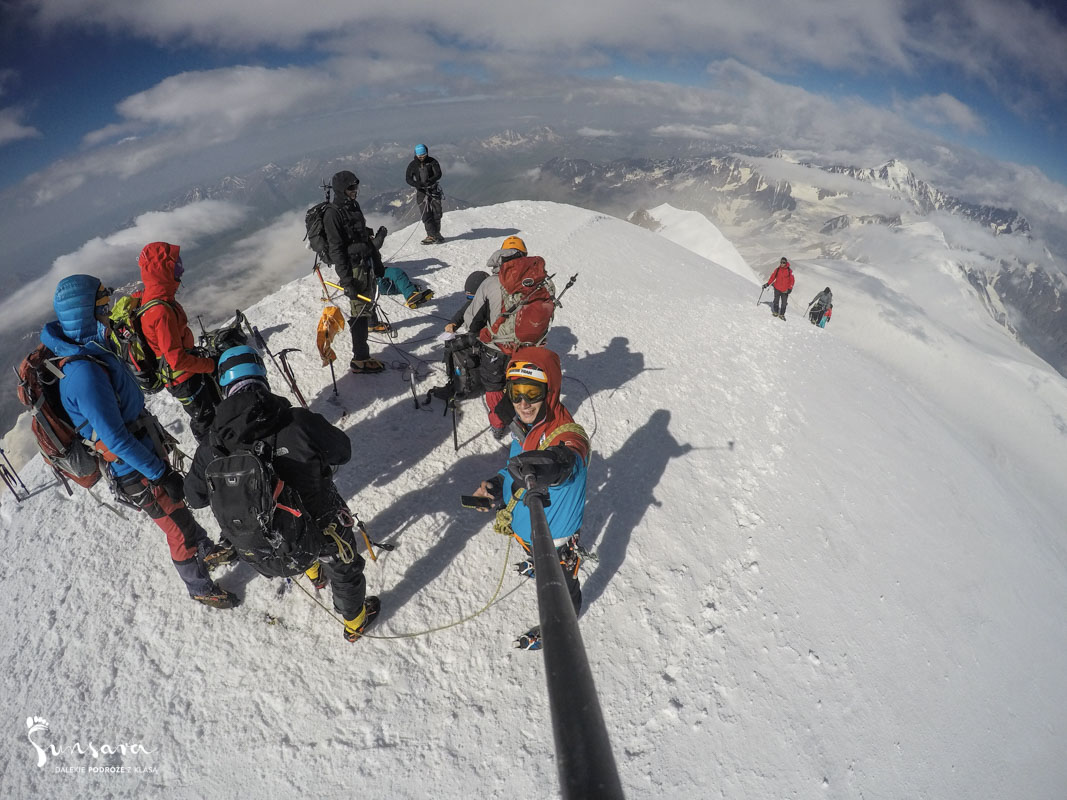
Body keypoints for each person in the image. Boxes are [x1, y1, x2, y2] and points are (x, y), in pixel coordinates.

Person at [40, 274, 237, 608]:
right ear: (84, 313)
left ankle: (204, 548)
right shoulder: (83, 373)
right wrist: (160, 474)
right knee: (175, 527)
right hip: (133, 467)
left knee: (176, 511)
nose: (108, 312)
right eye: (102, 306)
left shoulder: (90, 351)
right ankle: (199, 587)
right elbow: (115, 438)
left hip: (142, 450)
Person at [184, 346, 380, 642]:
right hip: (323, 523)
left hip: (265, 542)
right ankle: (355, 622)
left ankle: (314, 574)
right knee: (344, 567)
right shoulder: (297, 422)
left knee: (292, 529)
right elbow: (343, 452)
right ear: (262, 378)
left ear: (224, 387)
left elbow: (195, 497)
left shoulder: (211, 446)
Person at [470, 349, 589, 644]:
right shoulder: (526, 425)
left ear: (550, 391)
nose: (523, 403)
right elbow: (518, 463)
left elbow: (572, 456)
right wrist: (499, 483)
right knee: (533, 551)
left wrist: (555, 466)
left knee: (562, 592)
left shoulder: (565, 433)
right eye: (516, 392)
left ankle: (561, 629)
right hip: (528, 530)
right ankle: (535, 561)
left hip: (555, 540)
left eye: (533, 393)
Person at [137, 242, 221, 440]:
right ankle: (214, 454)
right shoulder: (160, 310)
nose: (180, 270)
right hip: (184, 378)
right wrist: (211, 365)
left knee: (211, 412)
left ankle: (222, 447)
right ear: (163, 271)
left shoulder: (155, 297)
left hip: (184, 374)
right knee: (206, 421)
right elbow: (176, 360)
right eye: (176, 265)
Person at [323, 169, 388, 373]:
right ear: (341, 189)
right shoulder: (333, 214)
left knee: (366, 304)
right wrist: (347, 281)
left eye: (356, 186)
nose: (355, 190)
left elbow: (363, 238)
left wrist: (377, 261)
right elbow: (336, 250)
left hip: (365, 262)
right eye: (350, 187)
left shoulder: (353, 206)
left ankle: (368, 337)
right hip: (354, 268)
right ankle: (360, 359)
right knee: (359, 311)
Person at [405, 144, 444, 244]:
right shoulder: (413, 165)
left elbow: (438, 174)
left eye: (423, 155)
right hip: (421, 192)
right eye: (420, 156)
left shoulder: (432, 162)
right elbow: (408, 178)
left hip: (433, 190)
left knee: (437, 213)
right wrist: (417, 184)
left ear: (427, 153)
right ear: (416, 154)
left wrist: (430, 181)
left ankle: (436, 234)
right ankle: (431, 235)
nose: (422, 157)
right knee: (426, 214)